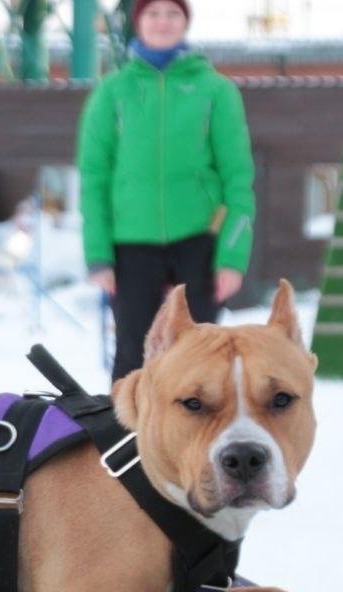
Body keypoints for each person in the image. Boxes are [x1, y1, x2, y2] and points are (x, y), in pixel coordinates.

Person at [78, 0, 256, 380]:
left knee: (203, 355)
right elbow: (93, 176)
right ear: (138, 21)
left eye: (172, 13)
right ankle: (126, 439)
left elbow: (238, 179)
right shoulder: (112, 91)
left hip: (199, 240)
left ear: (185, 21)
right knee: (133, 354)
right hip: (130, 244)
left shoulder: (216, 91)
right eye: (153, 13)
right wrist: (98, 254)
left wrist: (232, 258)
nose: (163, 22)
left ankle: (197, 439)